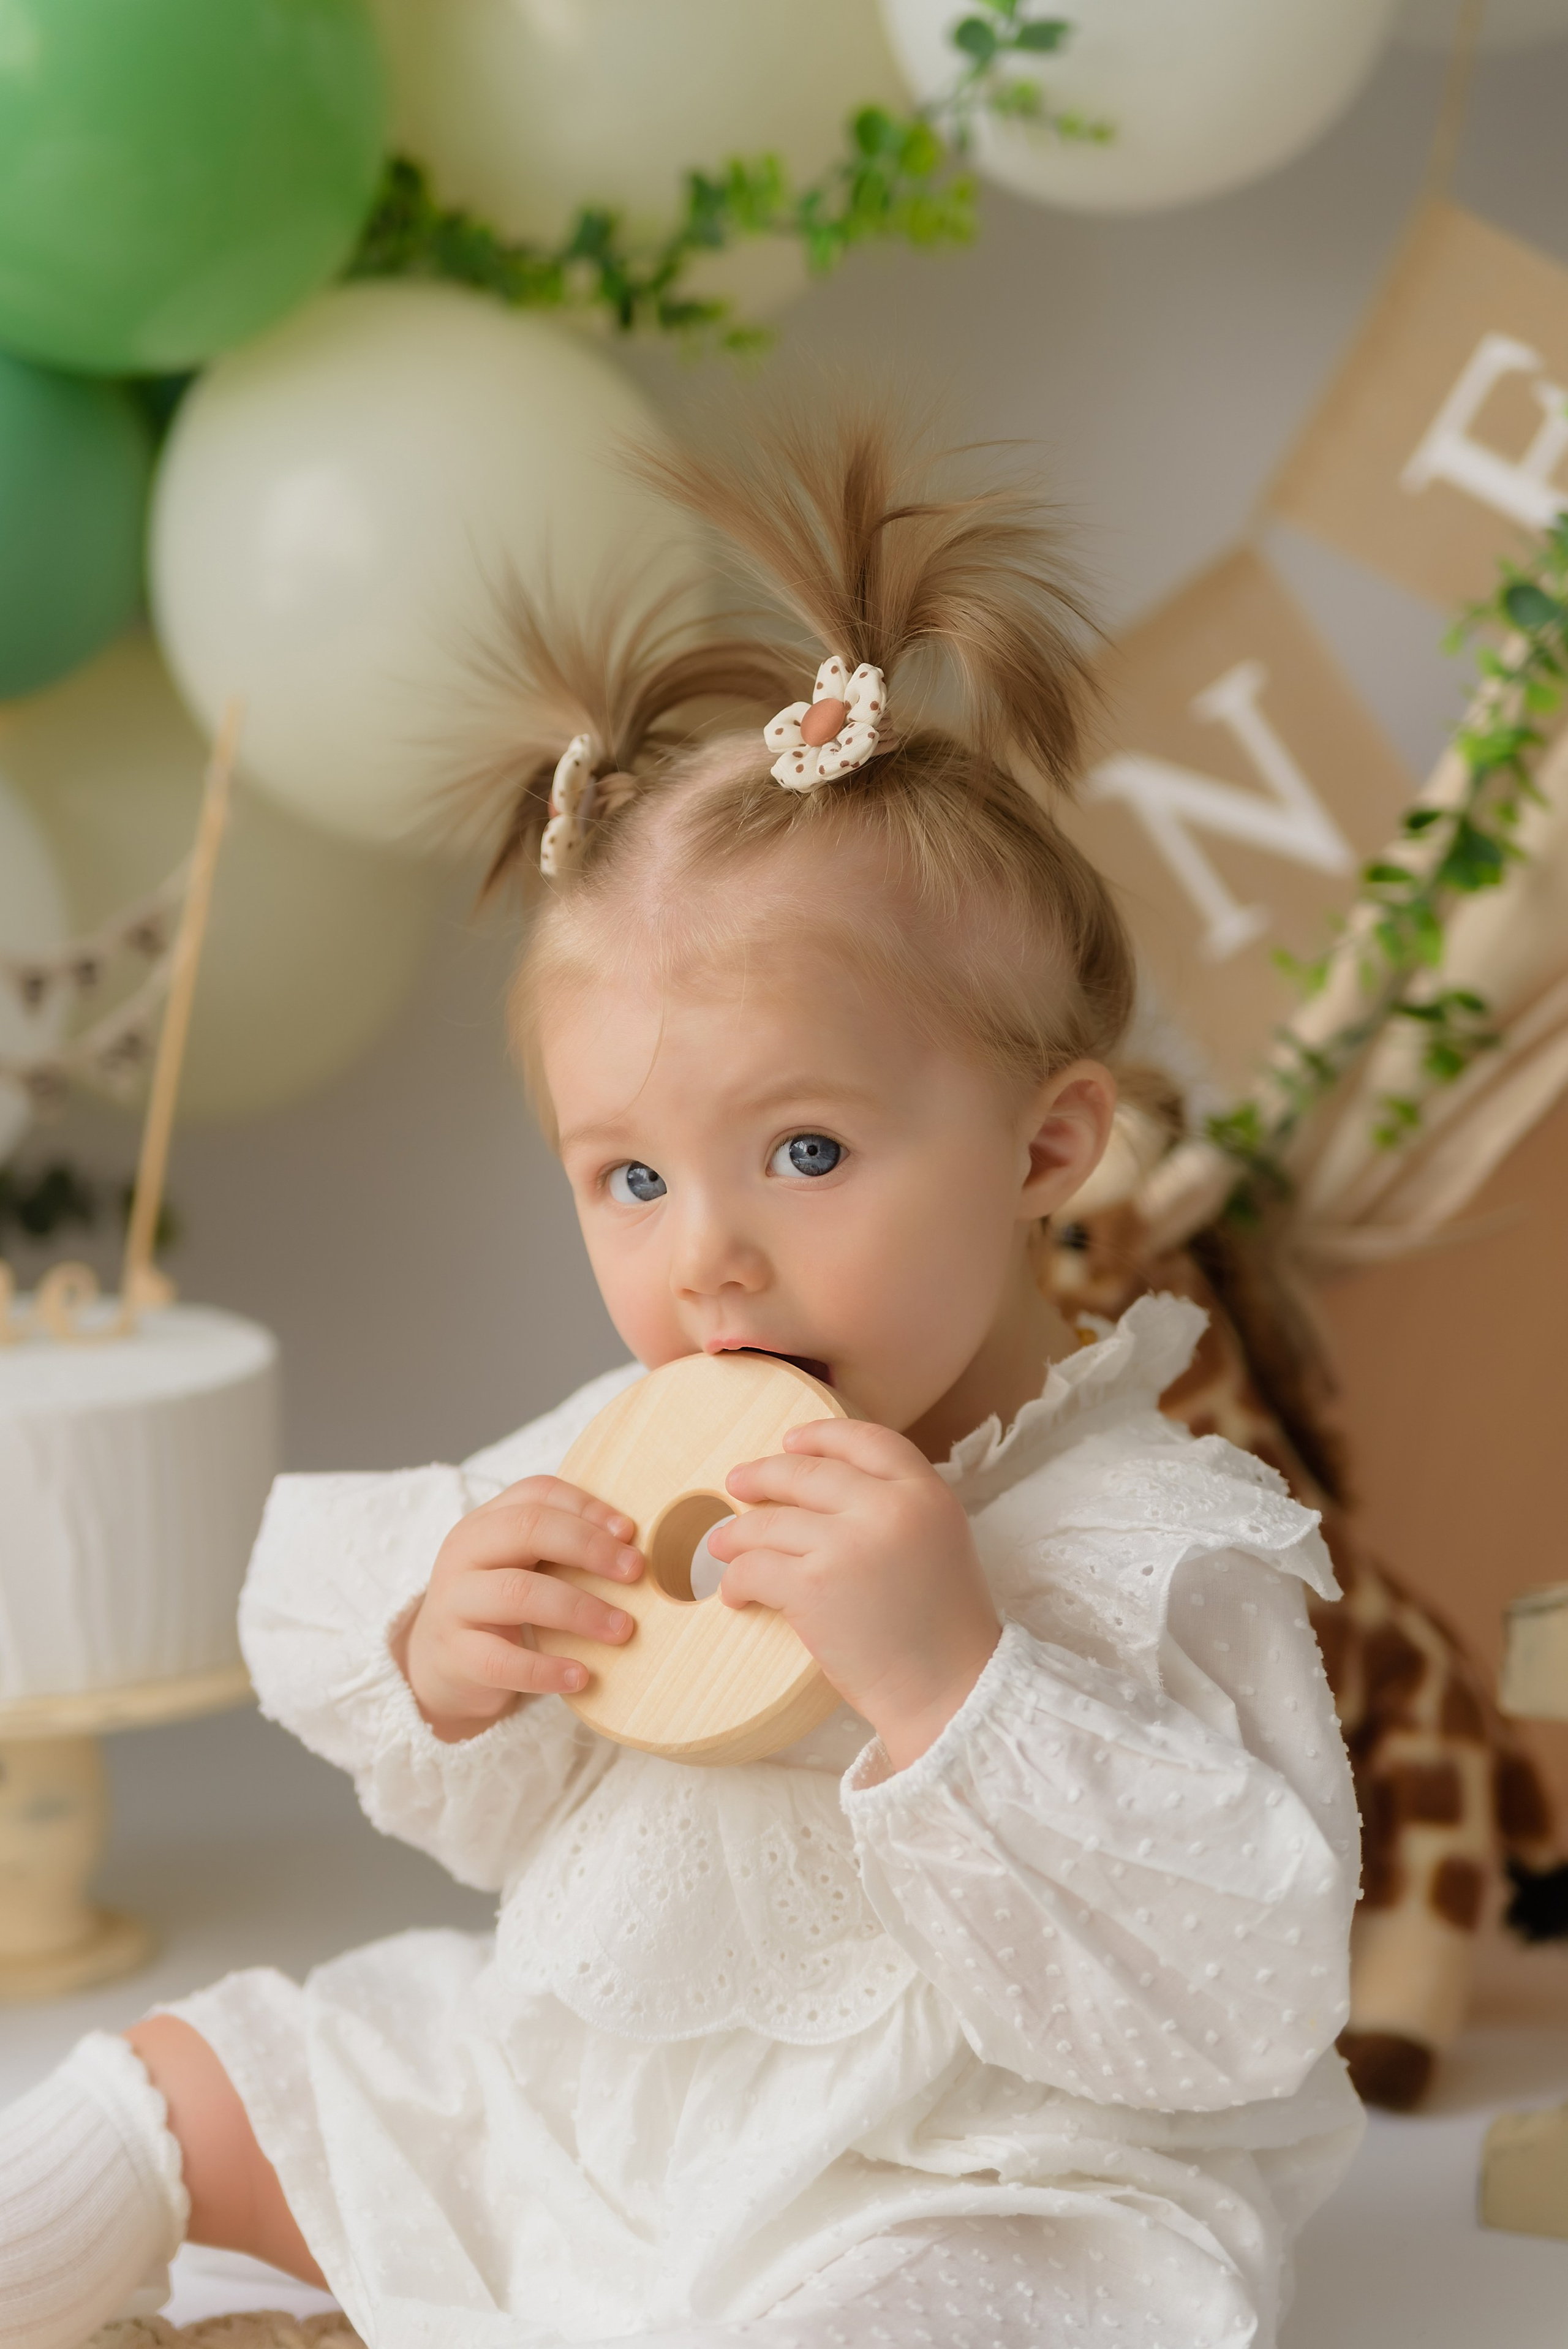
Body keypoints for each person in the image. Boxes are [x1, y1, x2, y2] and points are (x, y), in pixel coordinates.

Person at [0, 413, 1363, 2349]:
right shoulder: (626, 1447)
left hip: (967, 2179)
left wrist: (949, 1680)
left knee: (921, 2312)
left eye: (803, 1152)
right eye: (630, 1175)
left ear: (1049, 1148)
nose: (703, 1253)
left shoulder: (1155, 1541)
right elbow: (482, 1750)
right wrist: (447, 1646)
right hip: (605, 2108)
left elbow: (1245, 1980)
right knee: (205, 2072)